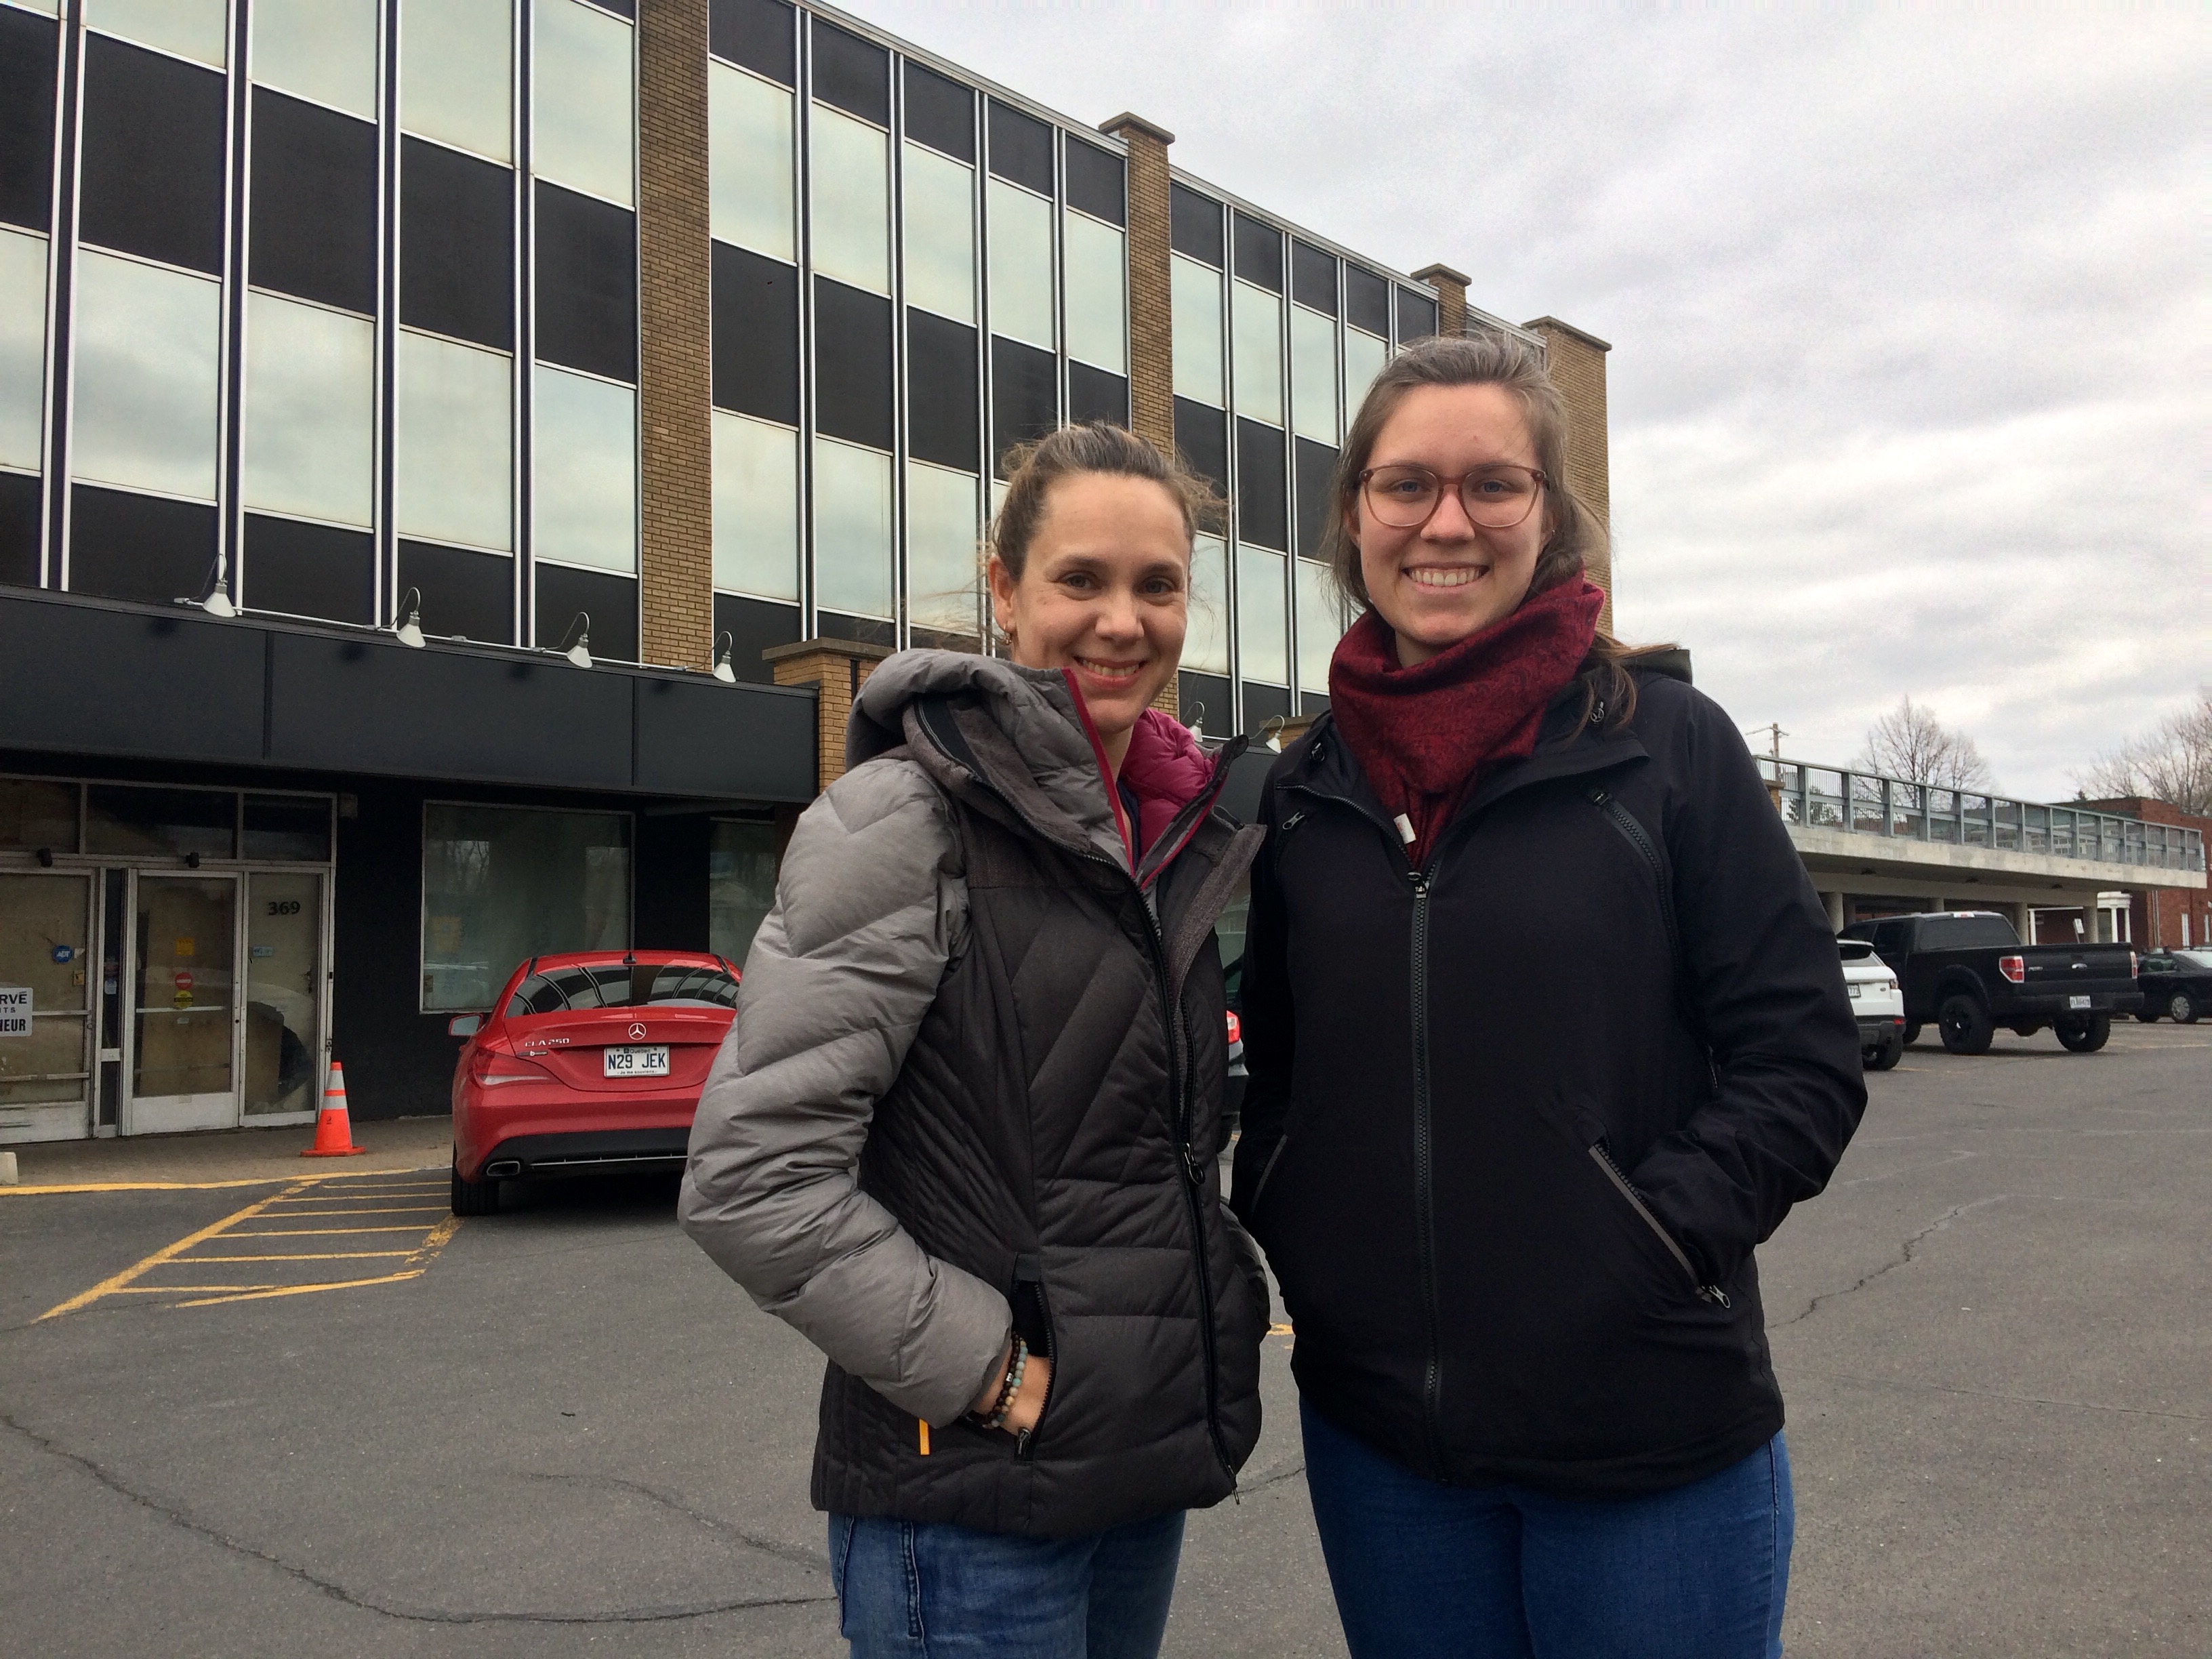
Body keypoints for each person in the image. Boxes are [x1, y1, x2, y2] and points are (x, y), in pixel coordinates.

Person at [1230, 333, 1866, 1659]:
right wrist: (1299, 1226)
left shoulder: (1669, 747)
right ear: (1353, 517)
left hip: (1647, 1441)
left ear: (1550, 516)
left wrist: (1648, 1244)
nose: (1446, 522)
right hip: (1384, 1445)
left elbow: (1802, 1056)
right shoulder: (1310, 787)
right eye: (1406, 485)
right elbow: (1286, 1067)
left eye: (1492, 485)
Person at [680, 423, 1269, 1659]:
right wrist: (993, 1375)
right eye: (1081, 580)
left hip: (1126, 1470)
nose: (1123, 621)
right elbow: (755, 1180)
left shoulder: (1166, 835)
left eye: (1157, 586)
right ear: (1004, 592)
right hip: (969, 1494)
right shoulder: (902, 820)